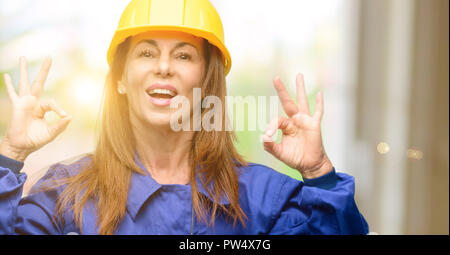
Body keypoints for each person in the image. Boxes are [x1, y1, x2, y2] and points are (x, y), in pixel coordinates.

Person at [0, 0, 369, 235]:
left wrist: (319, 172)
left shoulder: (262, 199)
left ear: (206, 81)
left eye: (183, 56)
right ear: (121, 82)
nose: (163, 67)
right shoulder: (66, 195)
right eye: (146, 53)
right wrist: (9, 154)